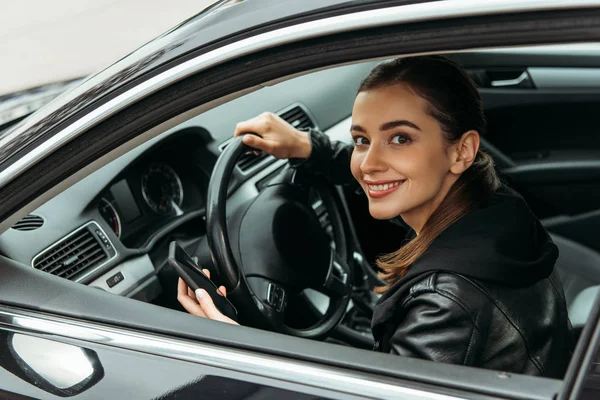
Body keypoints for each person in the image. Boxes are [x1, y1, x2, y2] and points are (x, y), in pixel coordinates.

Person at [177, 56, 572, 377]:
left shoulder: (444, 302)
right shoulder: (492, 206)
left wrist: (235, 347)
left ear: (461, 151)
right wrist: (307, 148)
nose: (368, 164)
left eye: (400, 138)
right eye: (361, 140)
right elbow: (383, 175)